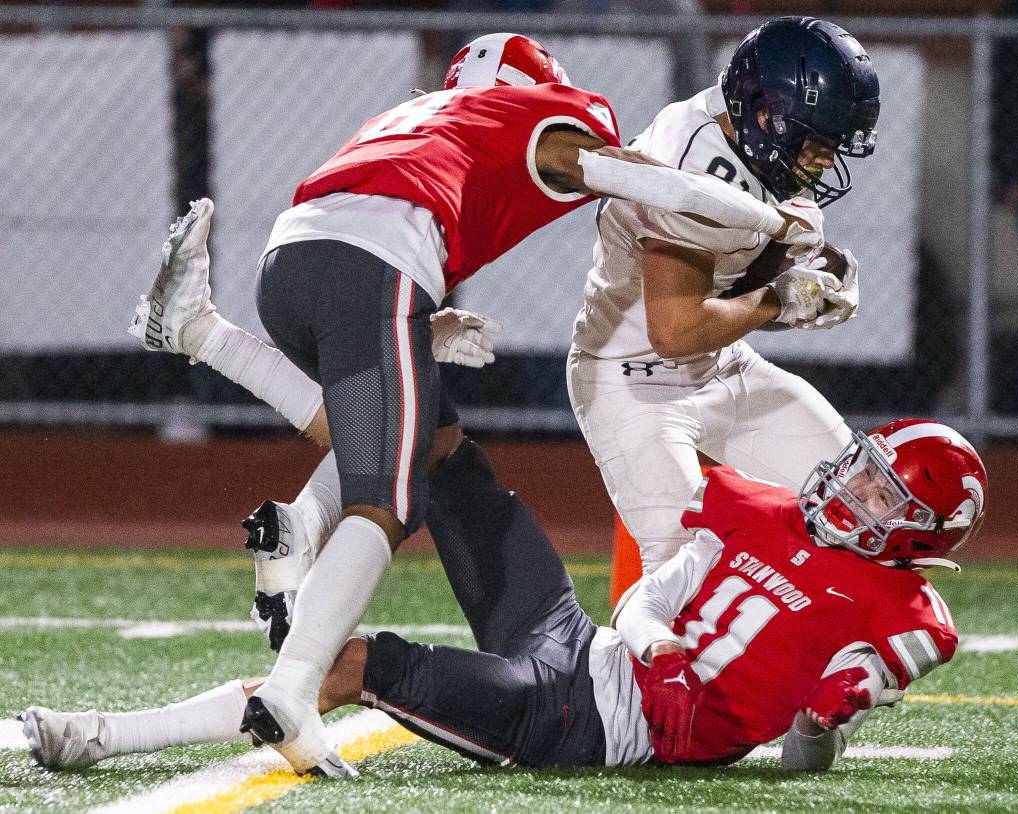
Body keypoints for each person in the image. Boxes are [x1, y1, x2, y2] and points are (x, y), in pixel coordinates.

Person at [127, 31, 829, 776]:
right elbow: (660, 185)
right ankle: (295, 682)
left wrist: (419, 326)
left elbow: (363, 214)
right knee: (389, 499)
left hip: (292, 262)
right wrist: (774, 223)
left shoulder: (414, 117)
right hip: (378, 263)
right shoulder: (540, 115)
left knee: (407, 436)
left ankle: (206, 337)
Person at [21, 419, 987, 772]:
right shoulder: (769, 512)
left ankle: (107, 734)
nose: (849, 488)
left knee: (352, 666)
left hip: (588, 724)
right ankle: (302, 541)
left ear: (917, 531)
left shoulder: (899, 618)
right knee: (436, 436)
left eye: (880, 493)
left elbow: (804, 752)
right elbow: (668, 586)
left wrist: (828, 724)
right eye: (860, 468)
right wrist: (646, 623)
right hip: (586, 644)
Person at [567, 16, 881, 579]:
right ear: (767, 110)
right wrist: (783, 301)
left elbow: (734, 298)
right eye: (816, 142)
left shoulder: (758, 146)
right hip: (633, 378)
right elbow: (675, 330)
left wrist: (812, 284)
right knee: (684, 581)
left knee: (859, 502)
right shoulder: (693, 162)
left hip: (719, 366)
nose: (823, 161)